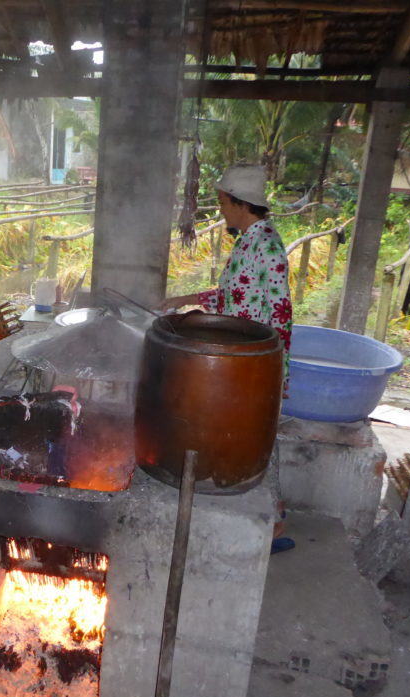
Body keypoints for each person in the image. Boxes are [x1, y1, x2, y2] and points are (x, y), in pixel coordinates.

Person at [163, 164, 295, 553]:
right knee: (245, 433)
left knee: (259, 437)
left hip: (254, 363)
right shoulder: (249, 239)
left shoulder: (267, 246)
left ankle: (273, 525)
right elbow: (233, 295)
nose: (220, 209)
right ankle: (244, 501)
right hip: (243, 359)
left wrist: (268, 367)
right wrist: (185, 303)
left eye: (222, 202)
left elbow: (274, 312)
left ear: (241, 203)